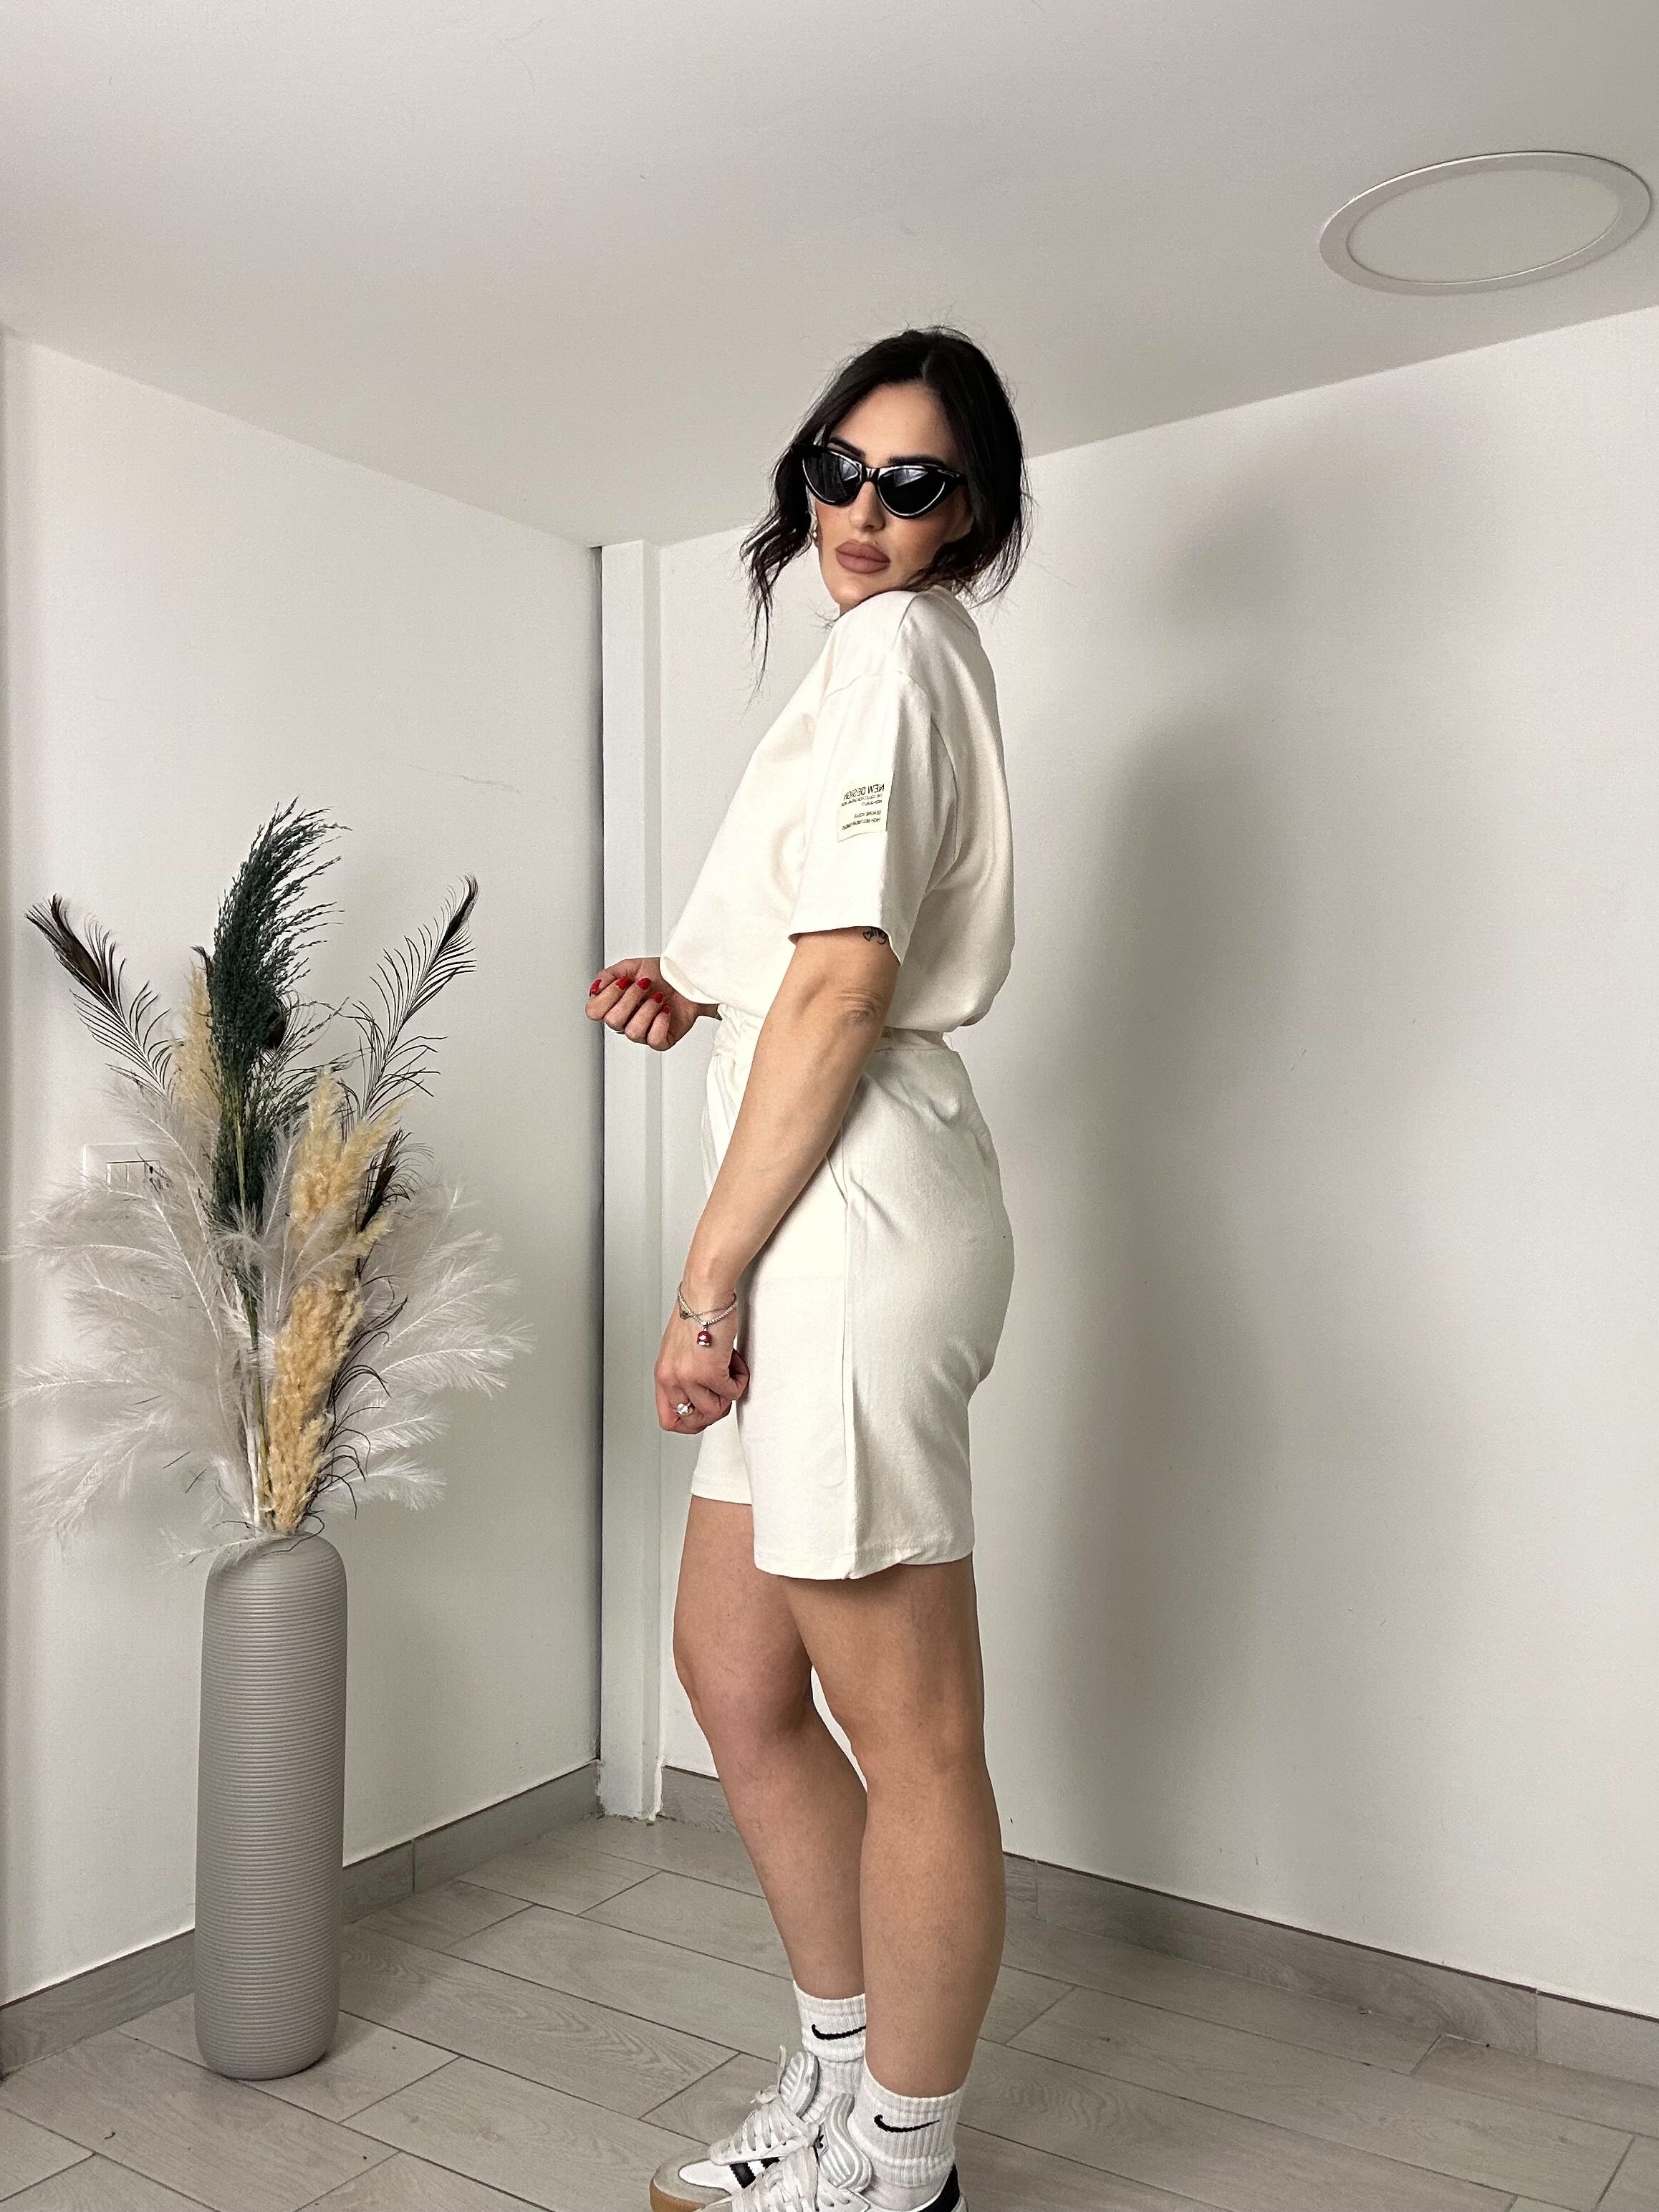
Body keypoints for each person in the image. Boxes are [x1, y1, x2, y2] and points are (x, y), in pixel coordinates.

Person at [587, 325, 1029, 2212]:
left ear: (970, 511)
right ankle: (842, 2083)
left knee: (908, 1729)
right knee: (734, 1669)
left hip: (841, 1227)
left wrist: (706, 1287)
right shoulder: (873, 662)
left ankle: (901, 2164)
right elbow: (807, 960)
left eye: (911, 483)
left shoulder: (901, 651)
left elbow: (850, 985)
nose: (862, 510)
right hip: (810, 1206)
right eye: (837, 471)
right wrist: (702, 987)